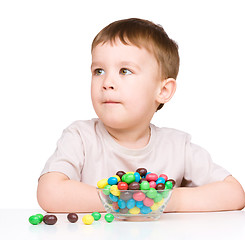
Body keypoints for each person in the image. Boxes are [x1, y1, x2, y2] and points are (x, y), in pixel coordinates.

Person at [37, 18, 245, 213]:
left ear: (163, 91)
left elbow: (234, 194)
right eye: (98, 71)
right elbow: (49, 192)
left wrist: (161, 200)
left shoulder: (177, 146)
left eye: (125, 71)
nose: (107, 82)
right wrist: (123, 200)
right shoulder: (80, 137)